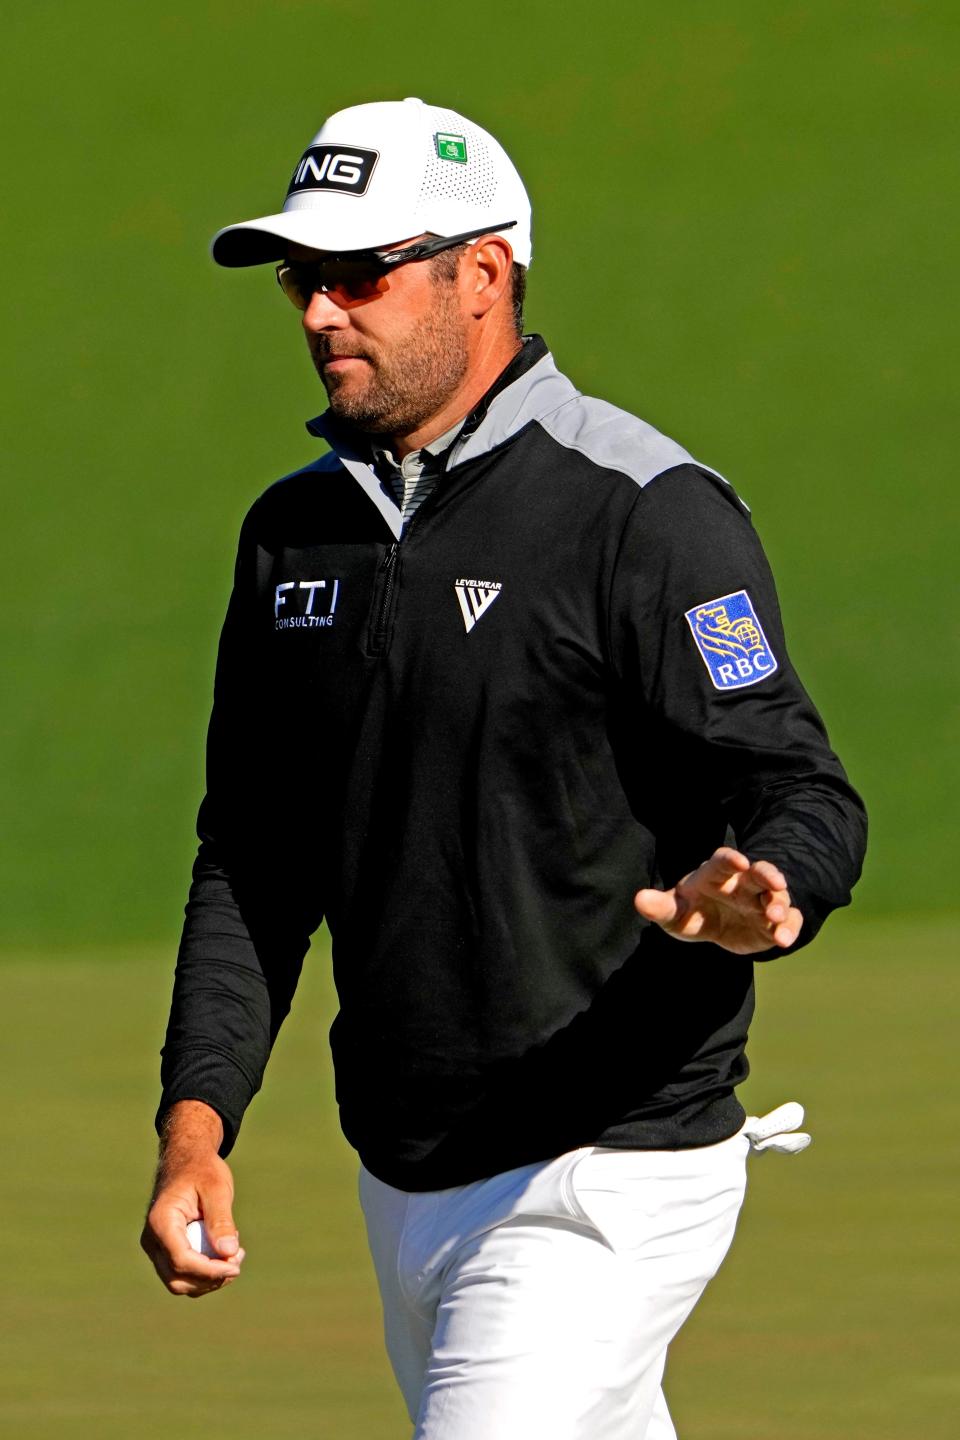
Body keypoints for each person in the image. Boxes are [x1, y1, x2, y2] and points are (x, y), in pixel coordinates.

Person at [141, 97, 866, 1439]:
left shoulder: (644, 511)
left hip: (609, 1167)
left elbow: (801, 785)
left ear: (483, 273)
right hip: (403, 1169)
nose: (316, 315)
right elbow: (253, 853)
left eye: (361, 276)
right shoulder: (293, 536)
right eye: (305, 279)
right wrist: (198, 1127)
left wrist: (772, 892)